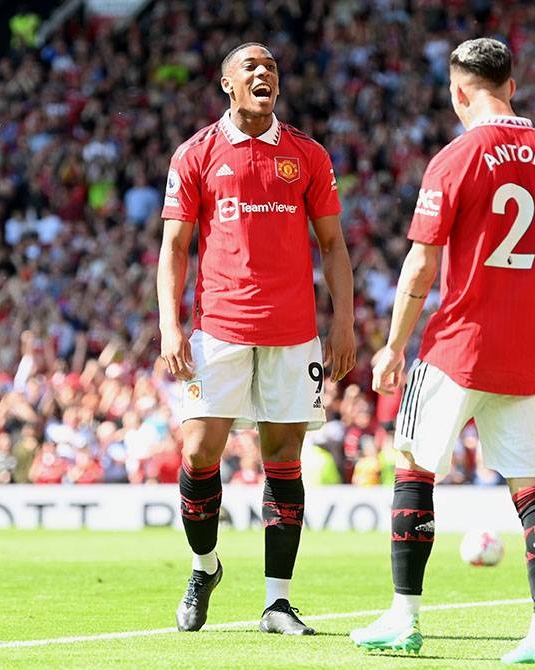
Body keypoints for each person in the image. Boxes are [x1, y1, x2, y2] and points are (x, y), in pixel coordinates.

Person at [349, 38, 535, 665]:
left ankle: (404, 618)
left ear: (459, 92)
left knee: (413, 467)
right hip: (532, 351)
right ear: (512, 86)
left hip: (460, 347)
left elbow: (422, 264)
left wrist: (394, 346)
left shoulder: (455, 159)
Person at [157, 42, 356, 635]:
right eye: (251, 66)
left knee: (283, 460)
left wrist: (342, 322)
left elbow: (334, 246)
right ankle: (204, 567)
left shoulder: (308, 155)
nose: (264, 72)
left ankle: (276, 602)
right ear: (227, 84)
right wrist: (170, 324)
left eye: (271, 65)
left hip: (293, 333)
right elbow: (174, 247)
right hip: (219, 327)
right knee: (197, 453)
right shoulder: (197, 153)